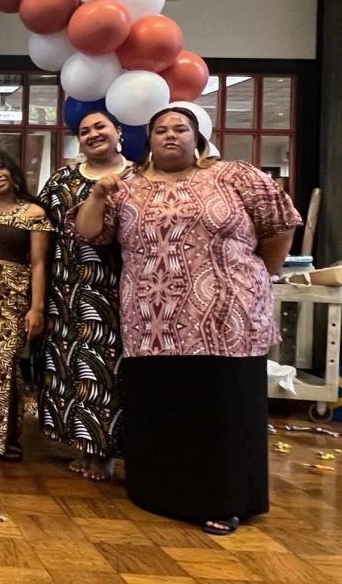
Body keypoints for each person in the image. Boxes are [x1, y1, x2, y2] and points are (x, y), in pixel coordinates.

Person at [75, 106, 300, 535]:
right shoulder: (128, 187)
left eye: (181, 128)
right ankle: (159, 491)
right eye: (160, 130)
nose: (170, 135)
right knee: (165, 408)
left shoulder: (234, 176)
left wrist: (252, 275)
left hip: (226, 320)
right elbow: (90, 233)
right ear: (149, 140)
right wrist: (97, 195)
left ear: (198, 137)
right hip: (151, 320)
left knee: (222, 411)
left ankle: (225, 500)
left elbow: (280, 224)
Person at [35, 110, 128, 481]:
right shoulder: (61, 179)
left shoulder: (137, 178)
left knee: (107, 372)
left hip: (115, 292)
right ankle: (82, 445)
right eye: (84, 131)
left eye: (100, 127)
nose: (92, 134)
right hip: (64, 289)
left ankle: (104, 451)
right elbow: (38, 224)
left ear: (118, 132)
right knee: (69, 368)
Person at [0, 149, 51, 461]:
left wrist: (37, 308)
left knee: (3, 367)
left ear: (13, 171)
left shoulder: (33, 213)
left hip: (11, 300)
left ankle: (9, 440)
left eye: (1, 167)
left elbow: (40, 263)